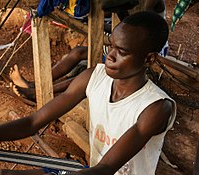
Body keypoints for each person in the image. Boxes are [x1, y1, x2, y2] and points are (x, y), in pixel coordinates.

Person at [0, 11, 176, 175]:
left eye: (123, 52)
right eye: (111, 47)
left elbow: (105, 169)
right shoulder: (95, 77)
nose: (111, 56)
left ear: (149, 59)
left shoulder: (156, 107)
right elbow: (34, 121)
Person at [10, 0, 167, 101]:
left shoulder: (149, 4)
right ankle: (36, 84)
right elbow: (119, 22)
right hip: (125, 46)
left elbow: (133, 25)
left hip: (139, 53)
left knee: (93, 71)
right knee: (79, 52)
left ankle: (41, 93)